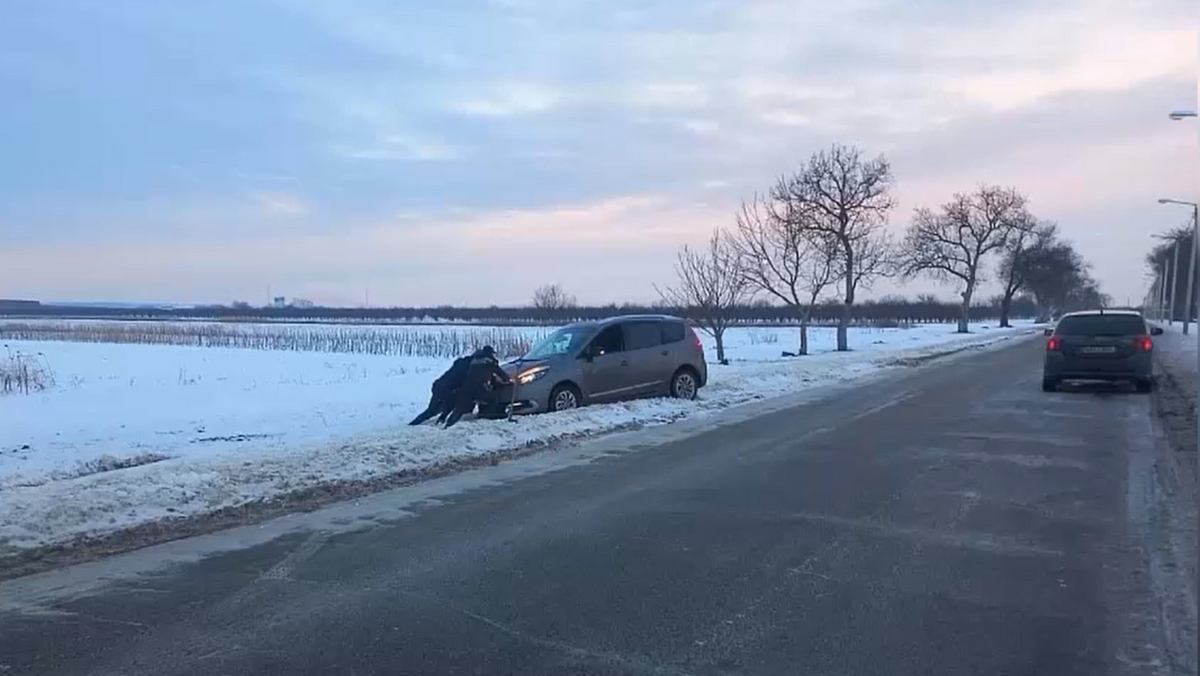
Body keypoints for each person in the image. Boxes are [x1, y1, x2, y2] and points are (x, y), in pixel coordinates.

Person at [443, 346, 512, 428]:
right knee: (493, 397)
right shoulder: (490, 361)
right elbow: (500, 373)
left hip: (466, 388)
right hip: (479, 388)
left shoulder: (474, 360)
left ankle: (448, 425)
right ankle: (491, 415)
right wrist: (508, 380)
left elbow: (482, 374)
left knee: (460, 409)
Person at [408, 352, 473, 426]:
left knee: (445, 406)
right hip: (446, 388)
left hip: (439, 385)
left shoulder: (461, 362)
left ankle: (439, 420)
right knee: (433, 410)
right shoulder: (470, 367)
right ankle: (414, 424)